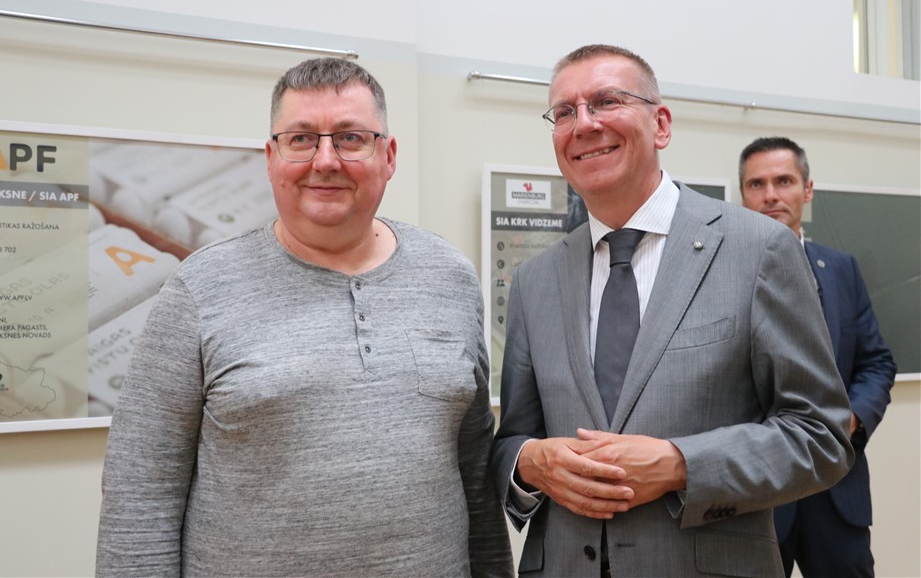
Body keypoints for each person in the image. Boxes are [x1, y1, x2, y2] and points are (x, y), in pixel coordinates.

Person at [96, 58, 513, 577]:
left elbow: (474, 469)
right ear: (271, 158)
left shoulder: (450, 276)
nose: (325, 160)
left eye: (351, 138)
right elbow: (141, 489)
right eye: (301, 139)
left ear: (388, 156)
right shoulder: (199, 288)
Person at [489, 44, 855, 577]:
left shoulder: (758, 250)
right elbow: (511, 442)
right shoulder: (535, 280)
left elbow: (821, 436)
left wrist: (681, 465)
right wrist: (530, 462)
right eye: (564, 112)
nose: (584, 124)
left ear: (660, 125)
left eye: (606, 101)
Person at [739, 136, 897, 578]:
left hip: (836, 489)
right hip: (755, 495)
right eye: (756, 184)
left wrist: (853, 419)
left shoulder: (841, 267)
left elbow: (876, 363)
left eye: (784, 181)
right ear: (742, 195)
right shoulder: (718, 272)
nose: (771, 195)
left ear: (807, 190)